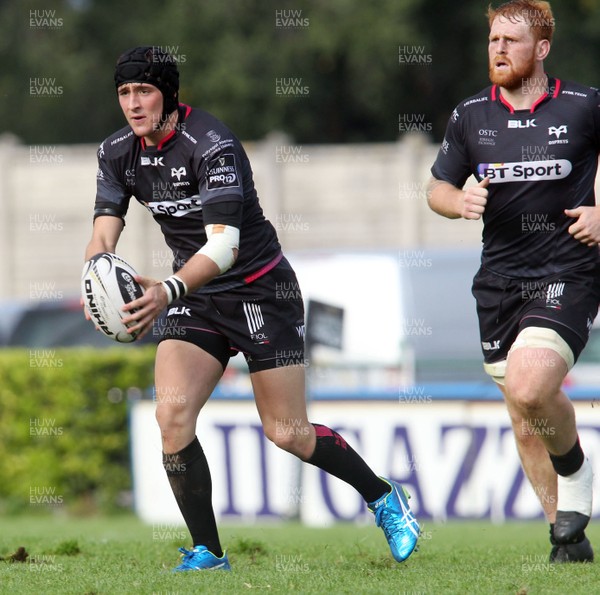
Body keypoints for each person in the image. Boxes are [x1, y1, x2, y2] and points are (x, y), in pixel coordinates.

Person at [83, 46, 419, 571]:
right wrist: (96, 280)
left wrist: (167, 290)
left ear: (169, 95)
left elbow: (223, 248)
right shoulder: (116, 152)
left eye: (144, 91)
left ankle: (382, 497)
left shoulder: (211, 145)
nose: (133, 103)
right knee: (172, 417)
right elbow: (105, 226)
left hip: (261, 293)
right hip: (196, 300)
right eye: (124, 92)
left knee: (287, 432)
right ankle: (208, 553)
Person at [427, 0, 600, 563]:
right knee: (526, 420)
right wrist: (459, 200)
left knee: (530, 386)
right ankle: (566, 539)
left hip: (567, 272)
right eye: (493, 40)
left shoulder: (583, 105)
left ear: (542, 49)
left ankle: (576, 472)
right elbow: (436, 189)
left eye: (511, 41)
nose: (498, 50)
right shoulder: (471, 114)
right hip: (499, 282)